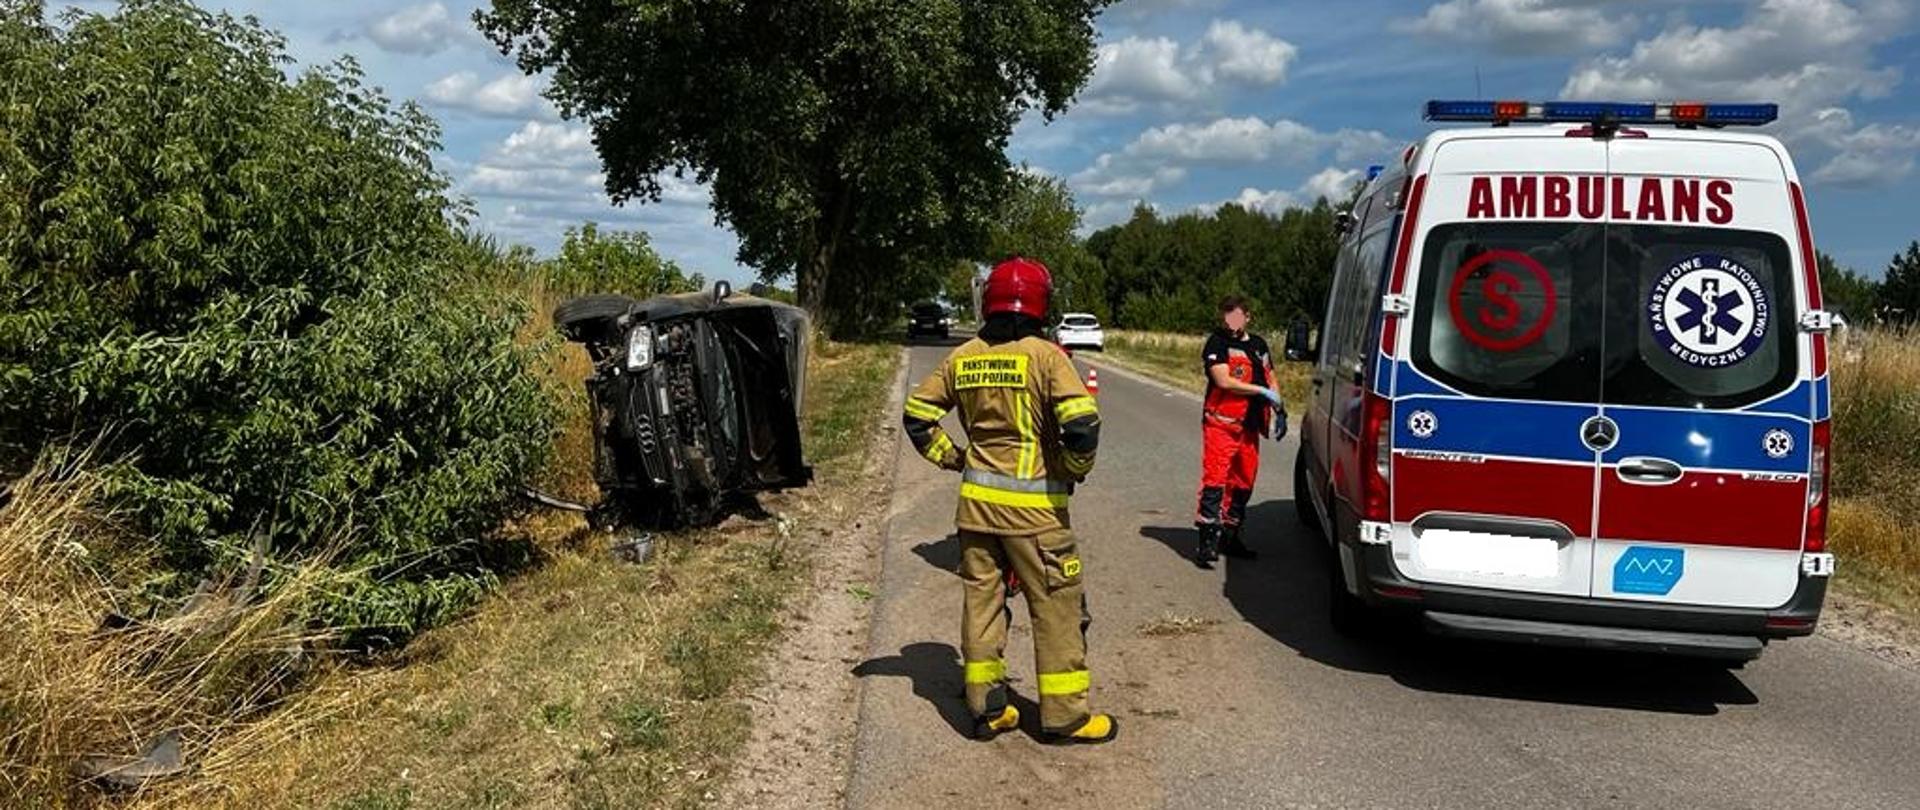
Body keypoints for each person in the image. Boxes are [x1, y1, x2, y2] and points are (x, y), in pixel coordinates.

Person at [900, 256, 1117, 745]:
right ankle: (1066, 717)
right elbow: (1082, 426)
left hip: (975, 511)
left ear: (989, 300)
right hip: (1036, 515)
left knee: (983, 604)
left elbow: (918, 416)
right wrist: (1072, 469)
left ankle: (988, 709)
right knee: (1058, 608)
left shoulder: (965, 356)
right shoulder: (1046, 356)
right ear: (1041, 303)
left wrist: (956, 458)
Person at [1193, 295, 1283, 568]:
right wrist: (1261, 391)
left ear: (1247, 317)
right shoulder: (1217, 343)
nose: (1230, 322)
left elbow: (1270, 376)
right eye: (1226, 316)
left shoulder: (1258, 345)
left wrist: (1279, 408)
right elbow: (1223, 380)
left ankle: (1231, 536)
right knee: (1215, 481)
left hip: (1250, 426)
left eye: (1236, 316)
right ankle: (1207, 542)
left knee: (1244, 482)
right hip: (1222, 423)